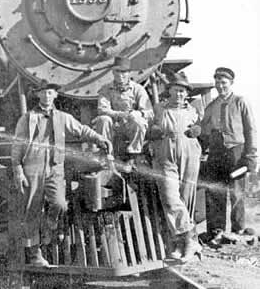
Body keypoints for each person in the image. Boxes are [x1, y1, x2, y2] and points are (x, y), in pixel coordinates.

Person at [11, 81, 111, 267]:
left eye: (50, 93)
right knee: (31, 211)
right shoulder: (27, 118)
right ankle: (35, 255)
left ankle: (49, 225)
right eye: (43, 93)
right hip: (32, 167)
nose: (47, 96)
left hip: (55, 167)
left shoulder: (63, 117)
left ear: (55, 95)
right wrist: (18, 170)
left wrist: (99, 138)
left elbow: (81, 130)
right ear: (38, 95)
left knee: (60, 204)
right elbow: (17, 145)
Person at [150, 72, 202, 262]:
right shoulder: (159, 108)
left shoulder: (194, 110)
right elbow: (149, 126)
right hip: (165, 151)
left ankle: (180, 245)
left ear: (186, 93)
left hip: (189, 149)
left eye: (182, 91)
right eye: (176, 90)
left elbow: (203, 126)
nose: (179, 94)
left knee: (186, 197)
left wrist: (198, 130)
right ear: (169, 91)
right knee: (171, 198)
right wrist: (152, 132)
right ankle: (190, 239)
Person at [200, 67, 257, 241]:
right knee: (215, 190)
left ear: (231, 83)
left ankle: (238, 230)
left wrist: (251, 156)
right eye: (217, 82)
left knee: (237, 192)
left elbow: (251, 129)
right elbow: (203, 131)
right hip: (217, 153)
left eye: (224, 82)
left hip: (236, 152)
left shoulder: (241, 102)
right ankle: (216, 231)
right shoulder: (211, 106)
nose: (220, 86)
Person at [94, 56, 153, 160]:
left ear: (129, 73)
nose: (120, 75)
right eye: (117, 71)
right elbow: (102, 109)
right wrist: (120, 114)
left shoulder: (138, 89)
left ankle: (133, 156)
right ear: (113, 72)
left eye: (124, 72)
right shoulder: (105, 89)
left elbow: (149, 112)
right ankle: (106, 152)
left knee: (139, 121)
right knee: (103, 119)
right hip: (114, 126)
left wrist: (139, 113)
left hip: (130, 126)